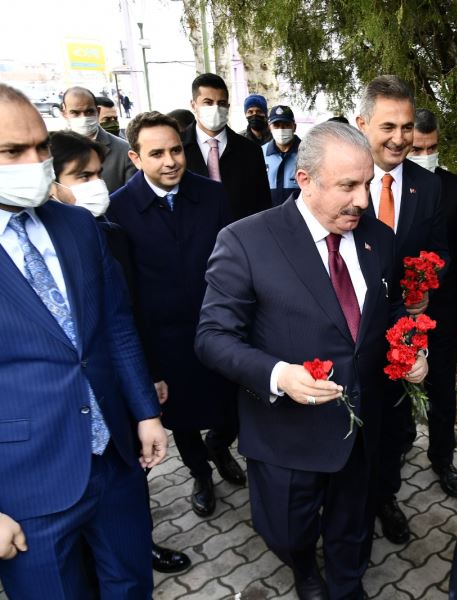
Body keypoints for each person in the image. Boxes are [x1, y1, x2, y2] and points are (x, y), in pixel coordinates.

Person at [195, 121, 426, 600]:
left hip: (361, 428)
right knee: (286, 530)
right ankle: (303, 570)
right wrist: (278, 374)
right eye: (347, 186)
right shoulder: (245, 241)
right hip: (287, 433)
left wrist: (410, 347)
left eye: (366, 182)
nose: (362, 200)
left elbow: (392, 308)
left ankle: (346, 583)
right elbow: (213, 338)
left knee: (353, 522)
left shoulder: (377, 238)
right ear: (305, 180)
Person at [0, 82, 167, 597]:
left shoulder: (76, 225)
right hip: (27, 488)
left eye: (40, 147)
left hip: (116, 461)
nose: (34, 161)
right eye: (11, 151)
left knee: (131, 585)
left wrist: (145, 412)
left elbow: (115, 326)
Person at [47, 129, 192, 574]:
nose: (96, 184)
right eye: (81, 176)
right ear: (50, 183)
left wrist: (146, 386)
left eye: (97, 173)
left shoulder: (108, 234)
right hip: (54, 422)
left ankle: (137, 546)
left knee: (130, 484)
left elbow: (127, 318)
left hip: (116, 394)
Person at [107, 111, 243, 520]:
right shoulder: (119, 210)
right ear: (135, 158)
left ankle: (220, 445)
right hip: (163, 343)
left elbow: (236, 264)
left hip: (219, 329)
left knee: (233, 406)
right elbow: (125, 295)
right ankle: (200, 473)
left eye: (176, 150)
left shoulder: (213, 195)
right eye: (157, 153)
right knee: (181, 419)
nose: (170, 161)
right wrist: (148, 367)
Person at [355, 74, 449, 544]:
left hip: (403, 329)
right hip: (349, 328)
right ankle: (351, 503)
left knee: (395, 425)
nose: (399, 138)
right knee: (354, 423)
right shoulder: (344, 178)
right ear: (362, 123)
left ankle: (386, 497)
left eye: (407, 127)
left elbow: (438, 250)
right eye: (388, 126)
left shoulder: (427, 188)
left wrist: (426, 288)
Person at [408, 107, 457, 498]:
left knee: (442, 387)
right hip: (398, 307)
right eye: (418, 148)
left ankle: (442, 457)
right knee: (396, 378)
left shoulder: (456, 189)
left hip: (444, 307)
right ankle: (400, 443)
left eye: (432, 147)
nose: (425, 155)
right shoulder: (390, 185)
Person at [182, 73, 271, 221]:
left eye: (221, 103)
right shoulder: (177, 148)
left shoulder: (251, 151)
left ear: (228, 106)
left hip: (240, 237)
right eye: (208, 102)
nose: (215, 108)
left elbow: (263, 205)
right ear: (193, 105)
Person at [61, 86, 135, 193]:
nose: (83, 118)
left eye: (89, 112)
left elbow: (132, 195)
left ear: (98, 111)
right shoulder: (52, 150)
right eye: (75, 113)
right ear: (64, 113)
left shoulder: (124, 150)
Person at [262, 105, 301, 206]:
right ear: (269, 127)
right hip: (268, 216)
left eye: (286, 125)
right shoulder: (260, 153)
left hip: (298, 216)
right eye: (276, 125)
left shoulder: (306, 152)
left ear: (294, 127)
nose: (281, 129)